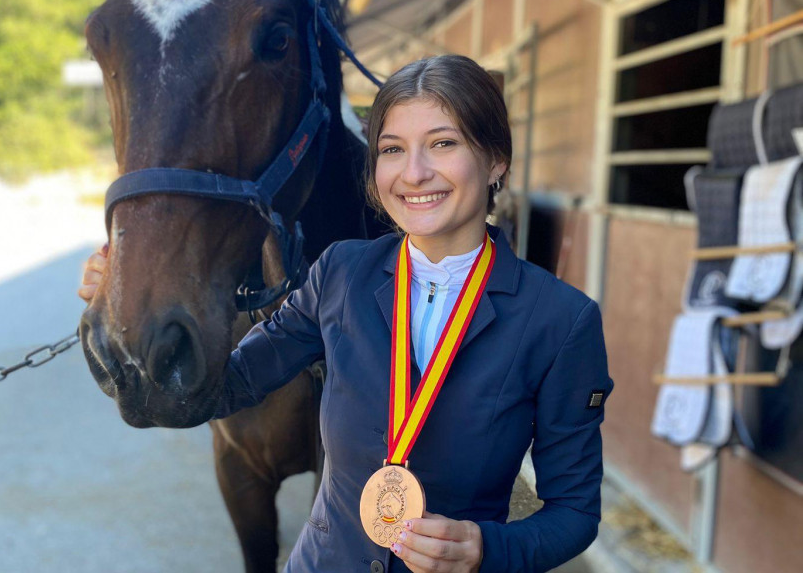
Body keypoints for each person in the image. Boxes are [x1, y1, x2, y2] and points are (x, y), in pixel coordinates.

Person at [80, 54, 614, 573]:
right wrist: (128, 314)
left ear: (496, 159)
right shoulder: (340, 272)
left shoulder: (562, 322)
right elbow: (223, 389)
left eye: (443, 144)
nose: (414, 173)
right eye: (392, 149)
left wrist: (484, 548)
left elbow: (574, 513)